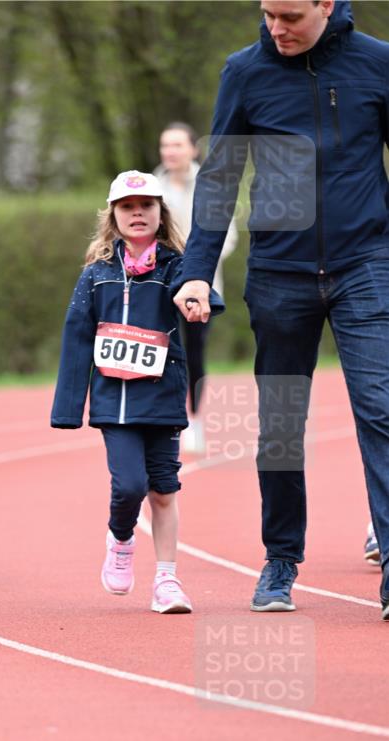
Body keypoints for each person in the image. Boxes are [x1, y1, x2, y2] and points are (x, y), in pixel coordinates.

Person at [173, 0, 389, 620]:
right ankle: (281, 561)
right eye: (268, 14)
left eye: (290, 15)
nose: (276, 28)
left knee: (380, 409)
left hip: (365, 264)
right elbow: (219, 179)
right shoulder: (245, 72)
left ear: (326, 5)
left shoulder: (377, 65)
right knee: (280, 430)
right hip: (279, 273)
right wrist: (194, 273)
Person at [51, 170, 223, 613]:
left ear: (160, 213)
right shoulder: (96, 275)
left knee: (164, 490)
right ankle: (122, 539)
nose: (138, 214)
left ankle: (167, 581)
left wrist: (201, 300)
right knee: (130, 485)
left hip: (162, 397)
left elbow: (199, 289)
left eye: (146, 206)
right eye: (128, 208)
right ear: (113, 216)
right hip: (114, 401)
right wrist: (69, 407)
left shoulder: (175, 265)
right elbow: (76, 336)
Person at [154, 122, 238, 453]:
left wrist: (197, 265)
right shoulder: (153, 188)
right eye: (165, 146)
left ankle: (194, 419)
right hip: (160, 284)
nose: (170, 152)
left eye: (176, 145)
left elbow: (227, 234)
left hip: (201, 285)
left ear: (193, 149)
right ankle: (164, 419)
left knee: (193, 353)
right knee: (161, 352)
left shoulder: (211, 184)